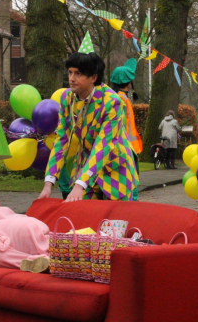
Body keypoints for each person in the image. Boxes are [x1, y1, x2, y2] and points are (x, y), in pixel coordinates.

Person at [39, 40, 137, 202]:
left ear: (93, 77)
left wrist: (79, 184)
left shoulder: (112, 101)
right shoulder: (67, 98)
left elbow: (104, 145)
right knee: (83, 222)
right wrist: (49, 182)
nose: (71, 78)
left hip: (115, 170)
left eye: (78, 73)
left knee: (115, 225)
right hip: (85, 167)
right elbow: (62, 139)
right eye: (70, 73)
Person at [110, 58, 143, 198]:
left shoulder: (116, 98)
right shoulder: (122, 100)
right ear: (128, 83)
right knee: (131, 179)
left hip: (124, 145)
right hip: (127, 146)